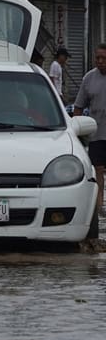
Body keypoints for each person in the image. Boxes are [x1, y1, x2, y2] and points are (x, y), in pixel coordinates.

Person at [73, 43, 106, 216]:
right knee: (98, 169)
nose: (100, 62)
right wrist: (77, 131)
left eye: (104, 58)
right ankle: (99, 206)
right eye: (98, 58)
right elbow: (78, 107)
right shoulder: (89, 78)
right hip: (97, 133)